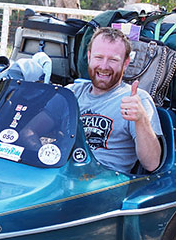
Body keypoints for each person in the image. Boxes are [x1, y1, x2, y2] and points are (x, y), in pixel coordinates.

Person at [67, 27, 162, 173]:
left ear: (125, 63)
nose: (104, 66)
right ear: (89, 56)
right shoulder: (72, 92)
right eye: (99, 57)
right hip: (61, 172)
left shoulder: (136, 99)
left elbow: (152, 163)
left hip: (103, 183)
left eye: (113, 60)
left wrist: (140, 119)